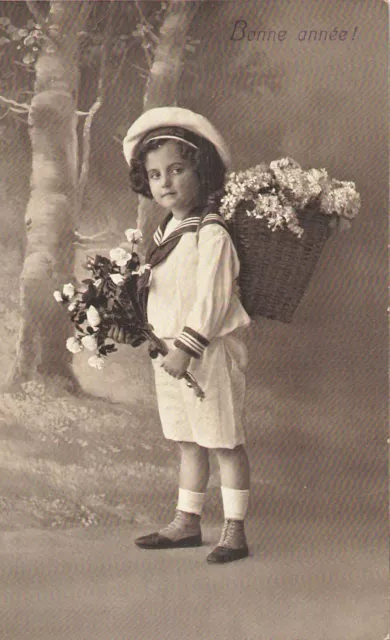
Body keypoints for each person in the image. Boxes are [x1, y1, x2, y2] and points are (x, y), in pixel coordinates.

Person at [120, 107, 252, 564]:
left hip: (205, 352)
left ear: (203, 171)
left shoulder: (211, 231)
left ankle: (235, 529)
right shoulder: (164, 230)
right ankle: (187, 522)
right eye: (155, 174)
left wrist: (187, 346)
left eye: (177, 169)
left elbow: (211, 300)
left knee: (223, 438)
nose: (166, 182)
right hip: (170, 352)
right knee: (187, 439)